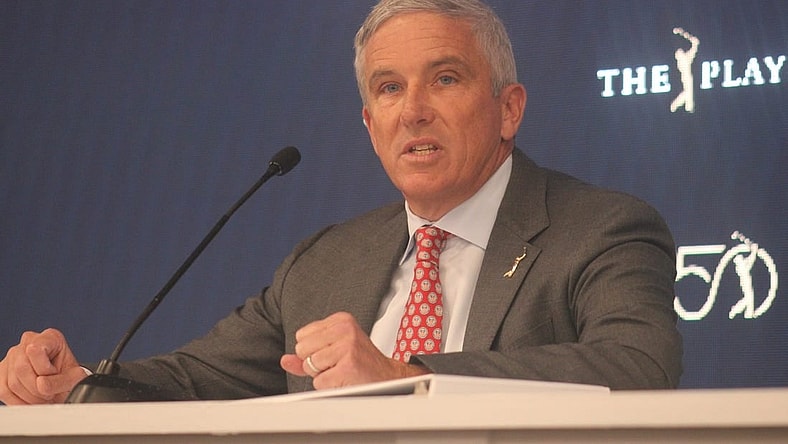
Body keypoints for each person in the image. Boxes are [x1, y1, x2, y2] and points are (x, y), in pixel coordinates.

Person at [0, 0, 682, 405]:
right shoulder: (324, 262)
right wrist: (81, 385)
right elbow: (195, 377)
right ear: (368, 124)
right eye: (388, 89)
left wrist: (403, 374)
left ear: (509, 109)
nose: (412, 111)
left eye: (444, 78)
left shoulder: (601, 230)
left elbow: (638, 366)